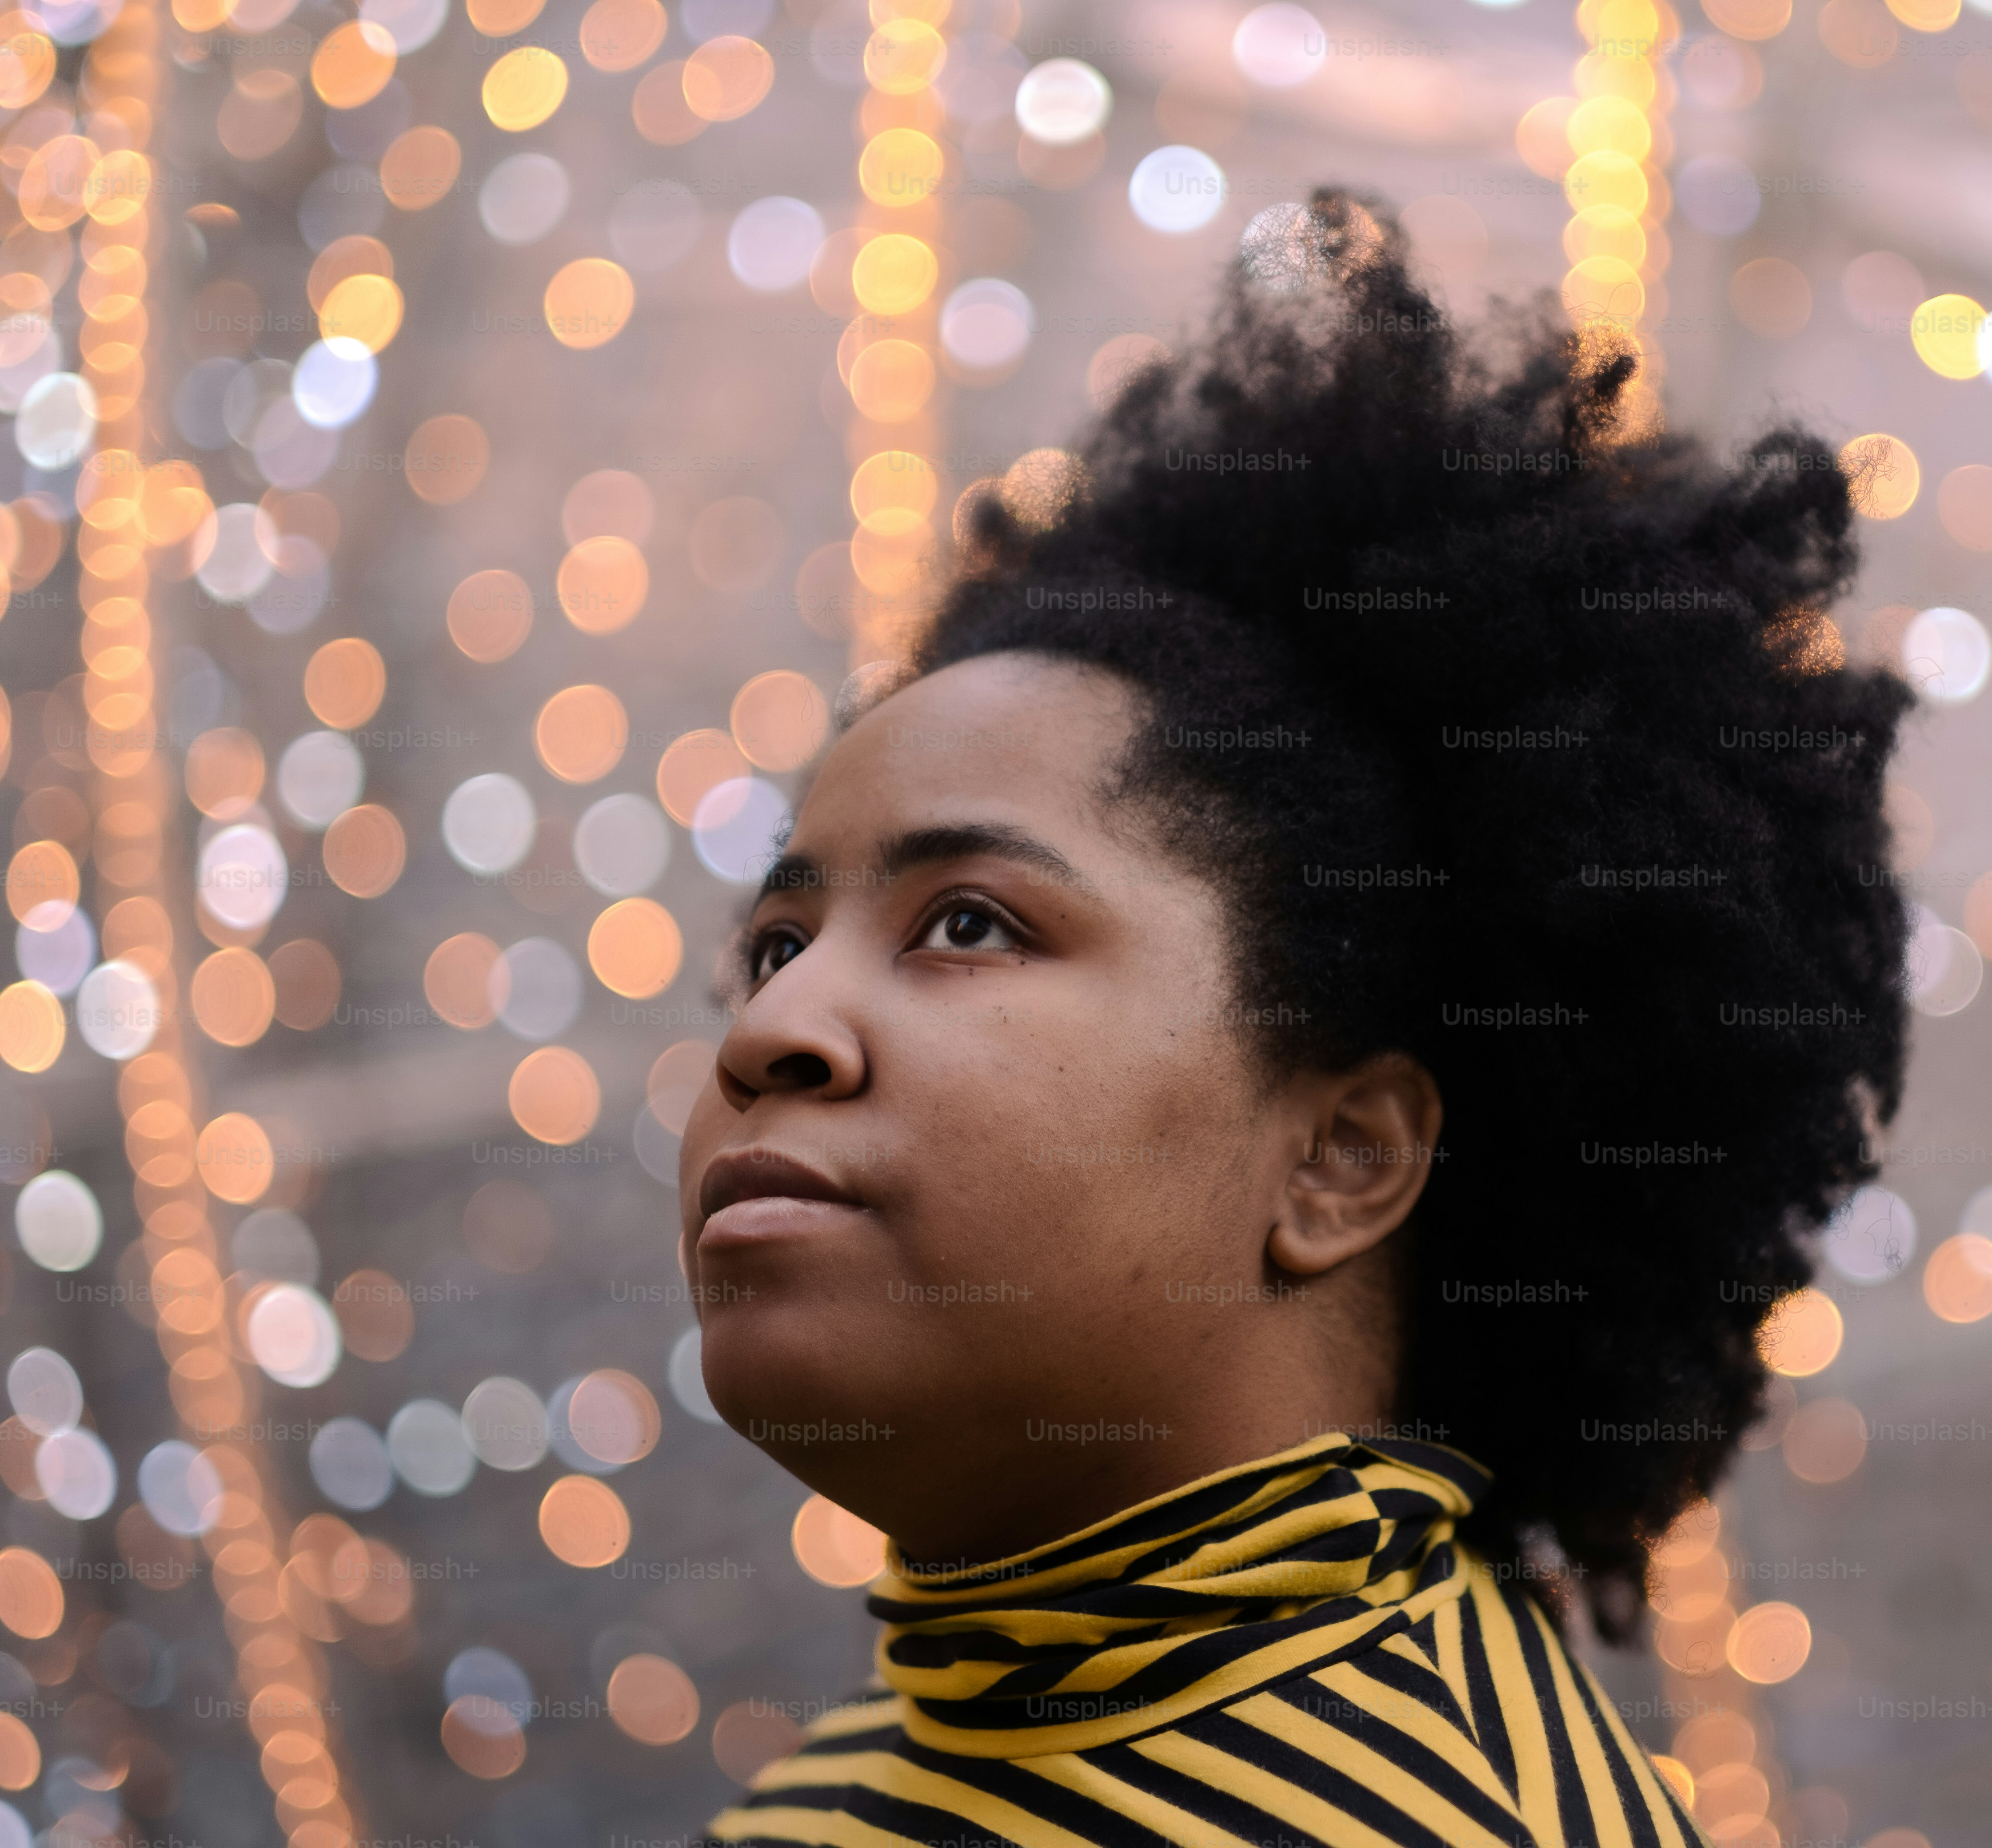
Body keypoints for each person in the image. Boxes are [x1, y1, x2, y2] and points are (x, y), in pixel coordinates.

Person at [682, 188, 1915, 1846]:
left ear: (1342, 1157)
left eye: (967, 923)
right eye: (775, 943)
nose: (776, 1032)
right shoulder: (843, 1793)